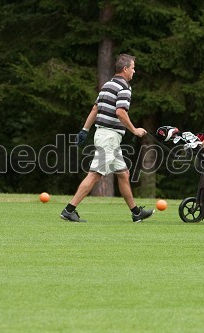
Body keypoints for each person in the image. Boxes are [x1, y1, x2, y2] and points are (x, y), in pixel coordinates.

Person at [60, 54, 154, 223]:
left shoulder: (107, 85)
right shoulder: (125, 87)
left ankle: (135, 213)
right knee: (95, 174)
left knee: (123, 174)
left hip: (105, 135)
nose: (134, 71)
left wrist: (84, 130)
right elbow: (120, 112)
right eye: (133, 68)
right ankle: (69, 210)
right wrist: (134, 130)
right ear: (125, 69)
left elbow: (95, 108)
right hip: (109, 138)